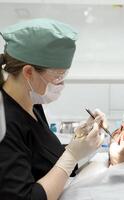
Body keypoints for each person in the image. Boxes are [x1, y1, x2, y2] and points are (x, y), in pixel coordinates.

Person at [0, 18, 107, 200]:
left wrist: (80, 143)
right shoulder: (4, 122)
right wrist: (72, 155)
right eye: (58, 76)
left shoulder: (32, 103)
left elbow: (42, 158)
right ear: (28, 72)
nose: (62, 83)